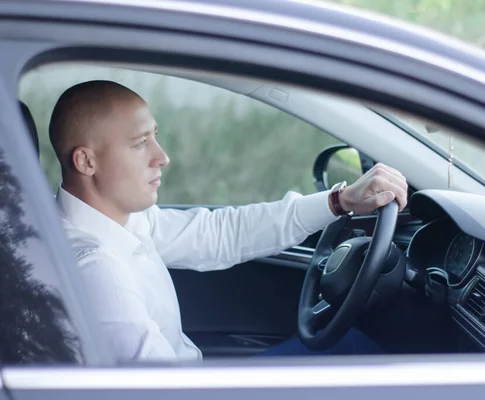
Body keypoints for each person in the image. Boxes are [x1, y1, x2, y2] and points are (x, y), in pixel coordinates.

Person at [49, 80, 408, 362]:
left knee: (349, 347)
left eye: (155, 136)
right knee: (360, 360)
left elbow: (221, 234)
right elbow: (158, 390)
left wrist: (338, 201)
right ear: (86, 163)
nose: (163, 157)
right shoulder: (95, 268)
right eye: (140, 142)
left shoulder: (121, 223)